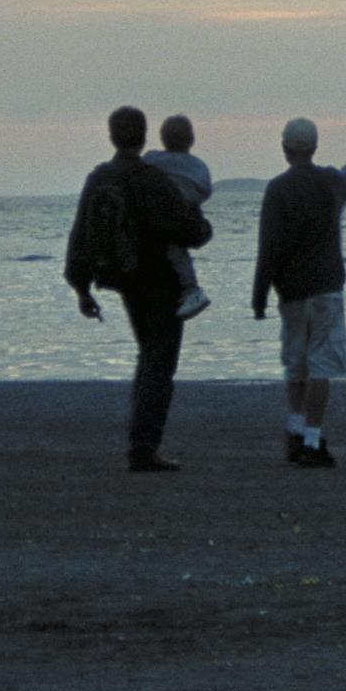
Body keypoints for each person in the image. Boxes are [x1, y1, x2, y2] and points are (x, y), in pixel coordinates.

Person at [65, 105, 212, 472]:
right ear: (145, 137)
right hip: (160, 280)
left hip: (123, 278)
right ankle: (144, 446)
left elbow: (80, 234)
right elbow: (187, 231)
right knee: (159, 363)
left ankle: (142, 442)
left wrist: (81, 288)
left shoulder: (100, 178)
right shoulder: (151, 180)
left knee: (148, 357)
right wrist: (204, 227)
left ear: (112, 136)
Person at [253, 115, 346, 467]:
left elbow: (268, 247)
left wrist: (259, 295)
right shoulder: (331, 182)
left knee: (296, 363)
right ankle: (313, 439)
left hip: (292, 291)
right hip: (326, 286)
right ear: (314, 147)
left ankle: (295, 429)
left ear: (285, 149)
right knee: (321, 365)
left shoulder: (278, 189)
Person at [141, 114, 215, 321]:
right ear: (191, 140)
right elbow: (205, 190)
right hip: (187, 216)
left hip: (165, 217)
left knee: (174, 250)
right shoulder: (198, 165)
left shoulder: (155, 159)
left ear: (163, 138)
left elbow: (140, 171)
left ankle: (192, 290)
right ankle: (190, 289)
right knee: (179, 253)